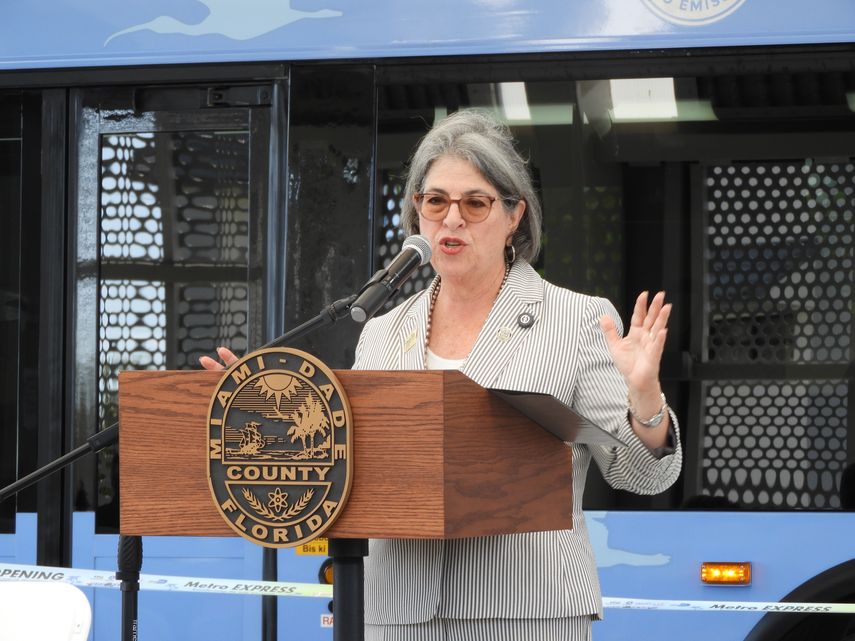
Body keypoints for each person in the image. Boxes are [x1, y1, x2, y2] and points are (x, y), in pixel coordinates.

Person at [202, 109, 682, 641]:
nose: (451, 219)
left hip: (524, 611)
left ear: (513, 216)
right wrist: (260, 410)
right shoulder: (383, 332)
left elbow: (645, 475)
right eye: (435, 201)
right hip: (392, 611)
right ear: (418, 214)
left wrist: (645, 397)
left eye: (474, 203)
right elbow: (343, 459)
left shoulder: (576, 320)